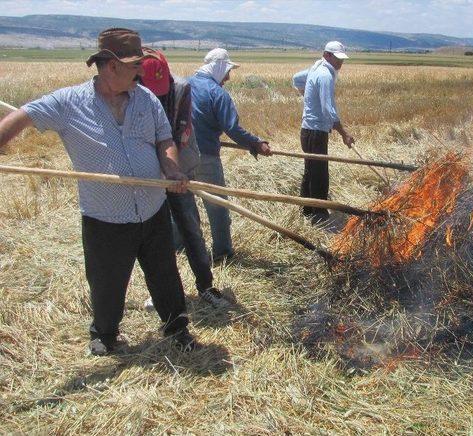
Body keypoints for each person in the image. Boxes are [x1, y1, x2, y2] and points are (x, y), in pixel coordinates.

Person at [0, 28, 198, 355]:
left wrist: (171, 169)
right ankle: (105, 335)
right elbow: (21, 117)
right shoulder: (69, 103)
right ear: (110, 66)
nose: (140, 71)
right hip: (105, 218)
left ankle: (177, 328)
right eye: (135, 65)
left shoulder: (145, 99)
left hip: (152, 209)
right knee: (107, 284)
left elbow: (164, 139)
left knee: (165, 275)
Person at [139, 48, 229, 308]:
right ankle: (162, 293)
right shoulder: (133, 90)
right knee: (159, 237)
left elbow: (180, 132)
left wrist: (173, 172)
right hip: (149, 174)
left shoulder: (181, 88)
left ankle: (206, 287)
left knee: (190, 229)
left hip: (180, 167)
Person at [189, 48, 272, 262]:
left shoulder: (183, 85)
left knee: (183, 205)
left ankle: (182, 248)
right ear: (218, 67)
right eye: (227, 71)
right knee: (218, 207)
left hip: (179, 156)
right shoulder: (217, 93)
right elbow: (232, 128)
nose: (227, 77)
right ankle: (223, 254)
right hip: (205, 156)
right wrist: (256, 143)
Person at [294, 41, 355, 224]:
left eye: (342, 60)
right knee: (319, 173)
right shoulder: (324, 74)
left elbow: (296, 78)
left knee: (310, 170)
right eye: (337, 59)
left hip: (308, 130)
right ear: (327, 55)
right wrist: (344, 133)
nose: (340, 63)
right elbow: (328, 110)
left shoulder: (316, 68)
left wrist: (306, 97)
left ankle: (306, 211)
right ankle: (319, 217)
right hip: (316, 131)